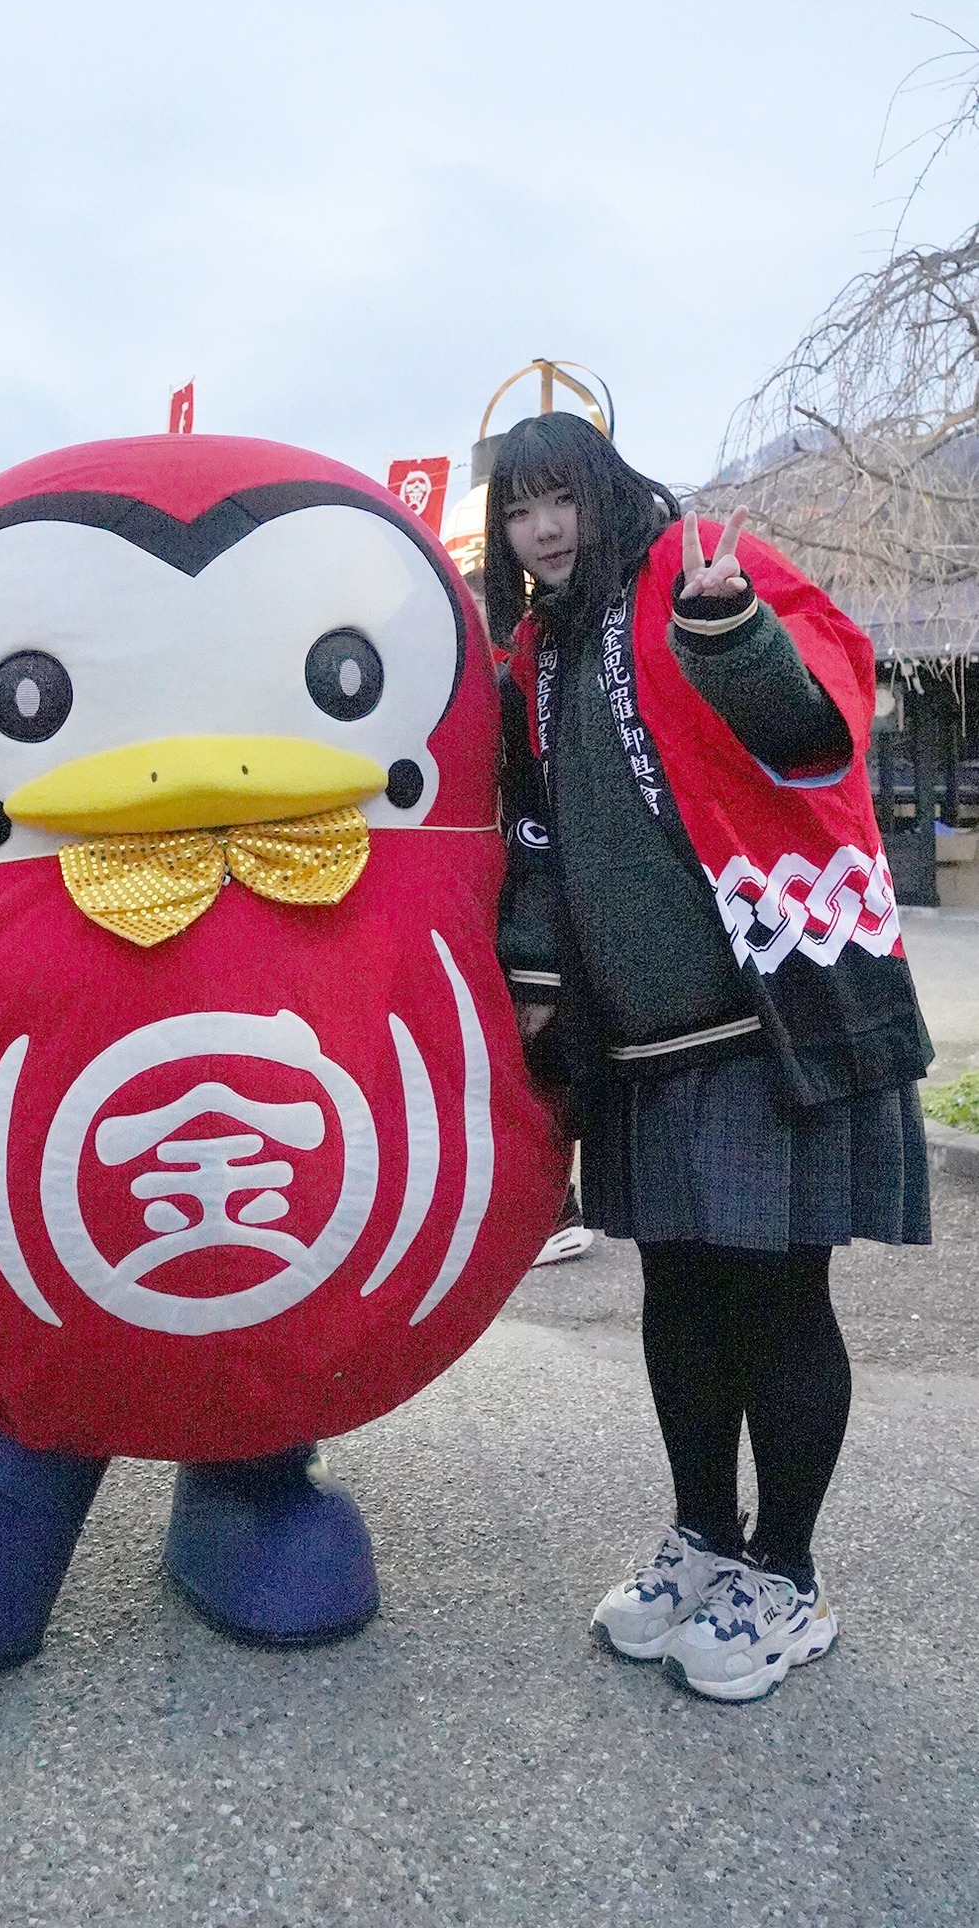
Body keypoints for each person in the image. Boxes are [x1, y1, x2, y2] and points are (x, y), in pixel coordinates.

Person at [489, 413, 932, 1704]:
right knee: (678, 1302)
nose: (544, 529)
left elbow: (816, 727)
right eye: (519, 511)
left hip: (771, 1014)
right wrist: (534, 995)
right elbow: (531, 833)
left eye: (562, 498)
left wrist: (729, 628)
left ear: (604, 491)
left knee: (778, 1302)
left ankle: (784, 1577)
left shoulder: (692, 566)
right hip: (643, 1042)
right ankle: (702, 1539)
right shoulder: (537, 650)